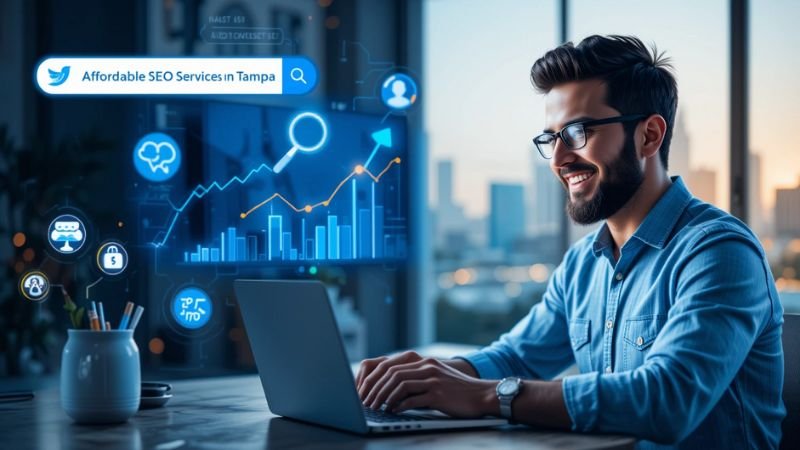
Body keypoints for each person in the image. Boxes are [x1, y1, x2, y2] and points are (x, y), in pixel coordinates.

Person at [356, 35, 785, 448]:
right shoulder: (583, 263)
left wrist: (487, 395)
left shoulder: (718, 252)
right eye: (551, 138)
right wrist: (432, 377)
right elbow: (519, 357)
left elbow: (668, 399)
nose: (559, 159)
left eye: (578, 132)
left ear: (649, 135)